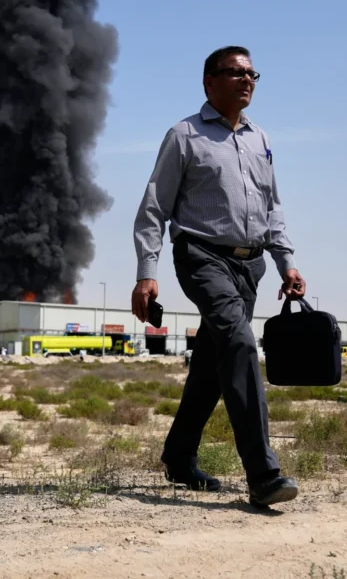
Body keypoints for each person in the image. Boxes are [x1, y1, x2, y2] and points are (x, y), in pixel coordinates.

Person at [131, 46, 307, 509]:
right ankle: (263, 473)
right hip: (201, 254)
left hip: (251, 264)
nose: (247, 80)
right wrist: (146, 273)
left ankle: (179, 455)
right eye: (235, 72)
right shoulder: (184, 135)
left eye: (252, 73)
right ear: (209, 81)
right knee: (240, 344)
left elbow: (274, 208)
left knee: (212, 364)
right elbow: (154, 207)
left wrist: (286, 262)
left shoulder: (260, 139)